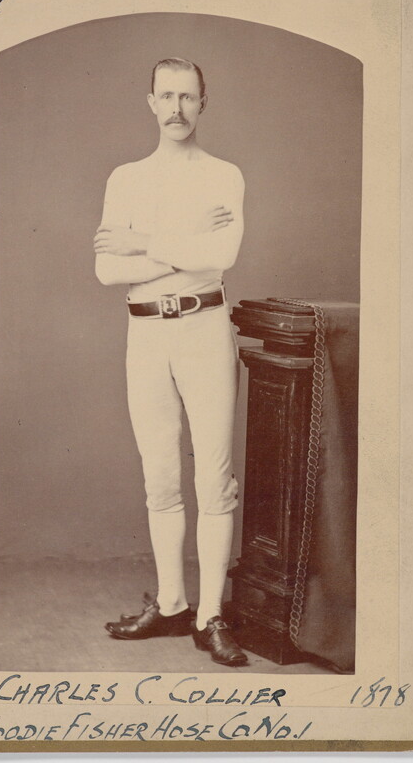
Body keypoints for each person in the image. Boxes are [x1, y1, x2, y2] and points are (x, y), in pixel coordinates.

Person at [93, 57, 247, 666]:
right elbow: (108, 270)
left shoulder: (224, 175)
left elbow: (222, 256)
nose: (177, 108)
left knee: (213, 477)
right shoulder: (125, 178)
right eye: (167, 96)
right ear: (151, 102)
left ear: (203, 102)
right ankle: (173, 603)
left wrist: (143, 241)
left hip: (204, 328)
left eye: (188, 96)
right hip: (146, 334)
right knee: (159, 475)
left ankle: (210, 616)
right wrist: (187, 242)